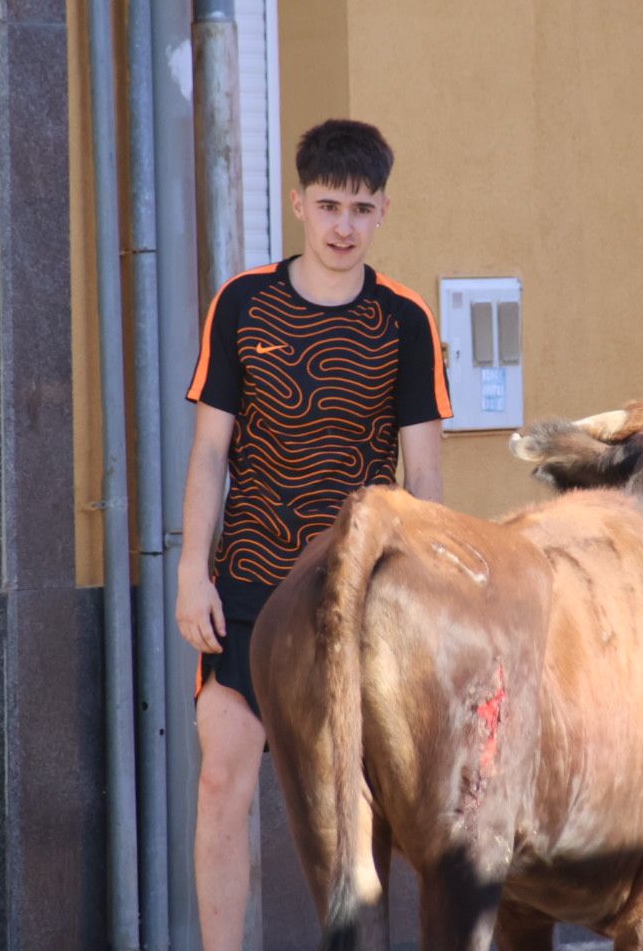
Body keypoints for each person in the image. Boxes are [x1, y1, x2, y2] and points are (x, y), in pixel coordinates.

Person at [175, 119, 451, 950]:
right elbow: (208, 453)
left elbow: (425, 477)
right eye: (328, 204)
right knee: (223, 780)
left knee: (358, 801)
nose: (343, 225)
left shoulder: (404, 319)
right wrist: (193, 572)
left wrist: (432, 590)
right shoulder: (243, 302)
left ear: (383, 212)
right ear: (297, 202)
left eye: (361, 209)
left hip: (358, 593)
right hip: (249, 587)